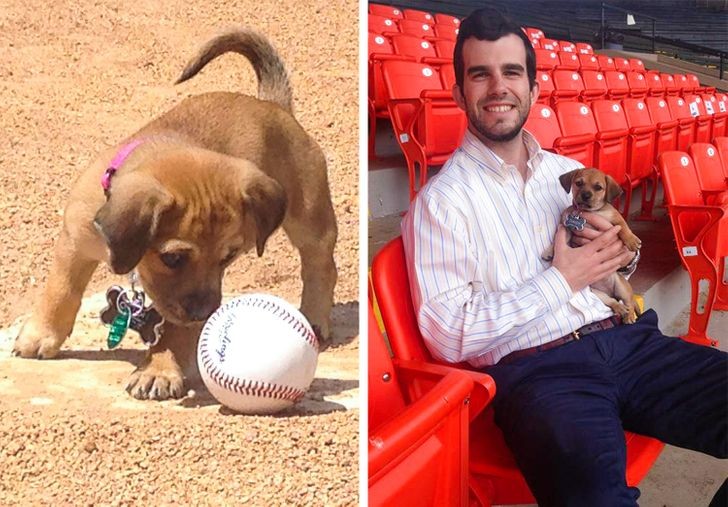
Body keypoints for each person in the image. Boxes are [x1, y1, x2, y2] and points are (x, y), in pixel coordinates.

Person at [401, 7, 727, 506]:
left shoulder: (568, 172)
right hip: (541, 374)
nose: (497, 87)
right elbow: (447, 334)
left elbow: (617, 263)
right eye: (479, 74)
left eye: (512, 72)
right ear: (458, 92)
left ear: (533, 90)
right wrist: (561, 278)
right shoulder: (441, 202)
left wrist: (616, 256)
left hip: (628, 342)